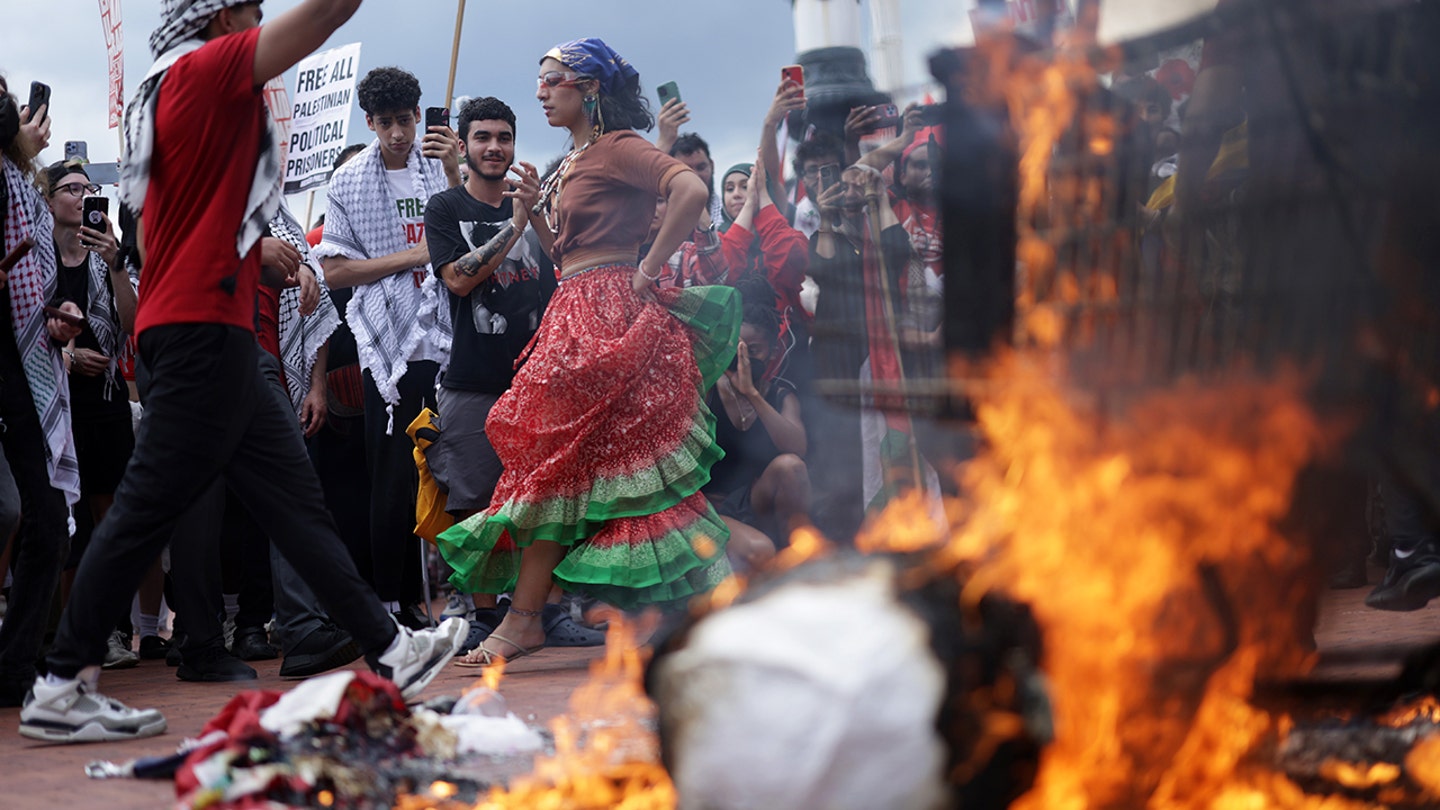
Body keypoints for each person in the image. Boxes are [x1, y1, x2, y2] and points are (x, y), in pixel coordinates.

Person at [20, 0, 465, 744]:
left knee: (296, 502)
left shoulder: (174, 87)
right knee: (144, 506)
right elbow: (327, 12)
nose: (262, 20)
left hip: (209, 329)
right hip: (202, 330)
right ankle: (63, 681)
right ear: (222, 17)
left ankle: (392, 650)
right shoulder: (206, 68)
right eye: (252, 10)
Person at [437, 37, 740, 666]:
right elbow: (561, 256)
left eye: (552, 81)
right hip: (573, 311)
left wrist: (650, 268)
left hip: (608, 313)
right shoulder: (570, 160)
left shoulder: (619, 146)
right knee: (568, 473)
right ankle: (536, 620)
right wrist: (532, 215)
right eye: (541, 82)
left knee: (587, 475)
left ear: (589, 87)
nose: (541, 92)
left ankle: (527, 621)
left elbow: (689, 192)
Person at [315, 67, 460, 630]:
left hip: (445, 339)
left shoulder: (441, 170)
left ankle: (447, 600)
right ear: (369, 123)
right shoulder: (348, 181)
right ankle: (388, 602)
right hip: (385, 346)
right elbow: (335, 269)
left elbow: (472, 236)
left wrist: (452, 169)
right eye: (385, 123)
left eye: (406, 120)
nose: (398, 134)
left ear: (418, 115)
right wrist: (414, 257)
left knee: (447, 472)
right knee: (391, 477)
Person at [0, 75, 82, 708]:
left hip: (23, 366)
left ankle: (16, 667)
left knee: (44, 518)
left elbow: (30, 285)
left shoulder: (16, 181)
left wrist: (52, 317)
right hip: (9, 372)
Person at [703, 284, 810, 573]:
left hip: (755, 501)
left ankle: (796, 558)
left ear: (772, 351)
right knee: (759, 551)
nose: (744, 358)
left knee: (791, 466)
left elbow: (797, 448)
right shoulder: (707, 389)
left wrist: (753, 394)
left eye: (753, 350)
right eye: (737, 348)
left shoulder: (779, 393)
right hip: (711, 508)